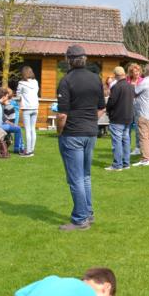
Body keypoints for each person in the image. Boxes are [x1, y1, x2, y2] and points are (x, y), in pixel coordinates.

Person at [56, 45, 106, 231]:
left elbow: (62, 115)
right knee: (85, 176)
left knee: (76, 178)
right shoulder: (96, 79)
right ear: (84, 59)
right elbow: (101, 108)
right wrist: (90, 121)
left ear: (68, 60)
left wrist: (59, 131)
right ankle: (88, 213)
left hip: (72, 134)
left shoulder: (66, 81)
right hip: (90, 133)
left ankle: (80, 219)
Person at [105, 67, 134, 171]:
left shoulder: (116, 87)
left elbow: (111, 102)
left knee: (117, 142)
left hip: (117, 117)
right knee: (126, 140)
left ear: (116, 75)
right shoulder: (131, 86)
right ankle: (126, 163)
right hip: (128, 117)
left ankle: (117, 165)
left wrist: (107, 110)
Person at [133, 64, 149, 167]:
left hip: (143, 112)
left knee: (143, 136)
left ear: (145, 71)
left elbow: (134, 91)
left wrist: (134, 84)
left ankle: (145, 159)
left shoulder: (145, 81)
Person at [17, 66, 40, 157]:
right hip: (35, 107)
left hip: (26, 108)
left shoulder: (21, 83)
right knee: (33, 129)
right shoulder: (35, 82)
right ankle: (32, 150)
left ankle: (28, 151)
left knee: (27, 130)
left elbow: (18, 95)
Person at [2, 89, 24, 154]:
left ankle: (20, 147)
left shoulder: (10, 103)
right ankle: (20, 147)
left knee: (16, 129)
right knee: (17, 130)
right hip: (12, 119)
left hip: (11, 119)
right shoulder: (13, 102)